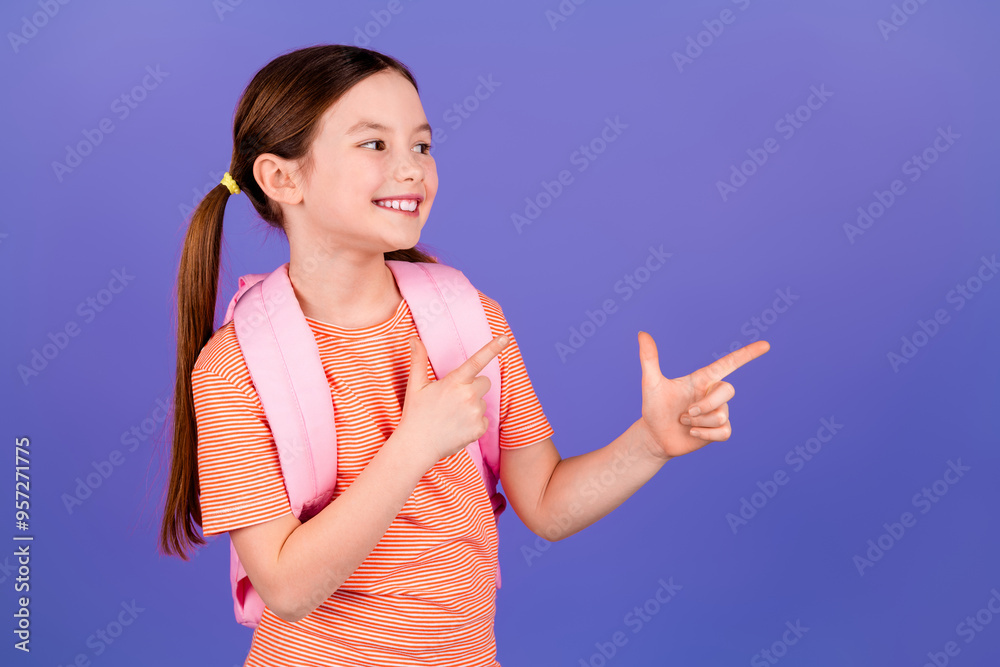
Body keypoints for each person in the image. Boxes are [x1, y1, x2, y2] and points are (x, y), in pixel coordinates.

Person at [158, 44, 769, 666]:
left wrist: (650, 443)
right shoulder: (236, 369)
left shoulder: (468, 318)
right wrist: (414, 446)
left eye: (421, 145)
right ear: (282, 178)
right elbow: (285, 588)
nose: (412, 169)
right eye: (375, 145)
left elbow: (548, 504)